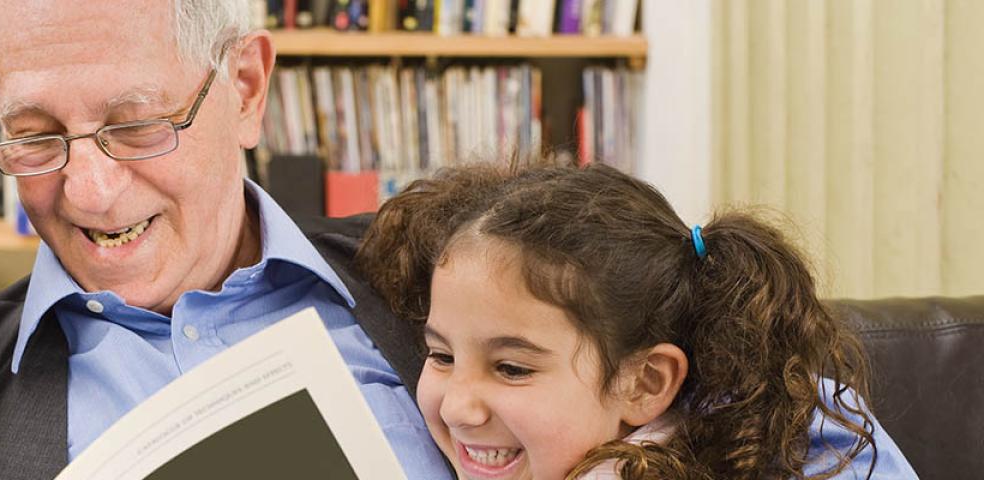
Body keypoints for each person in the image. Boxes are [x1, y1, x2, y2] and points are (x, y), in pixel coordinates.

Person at [0, 0, 452, 478]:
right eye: (35, 135)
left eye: (138, 126)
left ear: (245, 88)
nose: (90, 193)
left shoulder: (432, 285)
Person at [357, 163, 918, 478]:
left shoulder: (811, 446)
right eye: (442, 356)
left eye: (511, 368)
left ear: (644, 383)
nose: (457, 406)